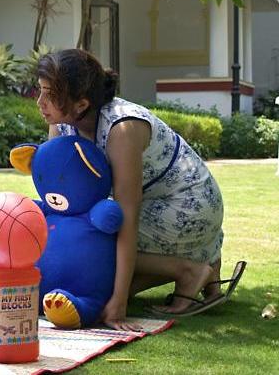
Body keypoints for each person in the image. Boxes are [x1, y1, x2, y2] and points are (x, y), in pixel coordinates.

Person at [34, 48, 244, 330]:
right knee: (85, 258)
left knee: (93, 240)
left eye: (50, 95)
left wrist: (119, 303)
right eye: (40, 91)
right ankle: (200, 267)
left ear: (81, 103)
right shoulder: (62, 125)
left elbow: (127, 216)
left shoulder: (122, 129)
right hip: (156, 204)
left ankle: (188, 270)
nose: (40, 102)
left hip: (186, 206)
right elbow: (62, 198)